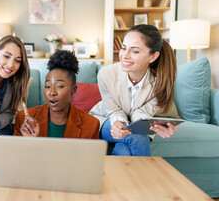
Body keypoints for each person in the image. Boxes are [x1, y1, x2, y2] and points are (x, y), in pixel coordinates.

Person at [90, 24, 177, 156]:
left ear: (153, 57)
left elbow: (142, 112)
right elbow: (113, 110)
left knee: (123, 151)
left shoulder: (159, 82)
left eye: (135, 51)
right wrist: (119, 123)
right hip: (106, 119)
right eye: (123, 48)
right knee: (138, 137)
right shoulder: (106, 74)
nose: (125, 55)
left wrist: (151, 126)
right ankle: (146, 176)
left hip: (133, 124)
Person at [14, 50, 99, 139]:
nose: (52, 92)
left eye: (59, 86)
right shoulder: (24, 120)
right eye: (47, 86)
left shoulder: (91, 125)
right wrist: (30, 141)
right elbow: (14, 152)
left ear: (73, 90)